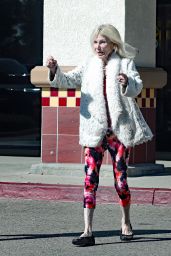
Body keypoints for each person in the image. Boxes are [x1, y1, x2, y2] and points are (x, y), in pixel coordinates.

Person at [46, 24, 153, 246]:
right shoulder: (89, 64)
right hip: (94, 131)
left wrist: (127, 83)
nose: (98, 46)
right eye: (95, 42)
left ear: (113, 43)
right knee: (89, 180)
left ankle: (126, 222)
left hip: (118, 133)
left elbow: (138, 86)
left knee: (121, 181)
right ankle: (87, 231)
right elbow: (68, 81)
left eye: (103, 42)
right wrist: (55, 71)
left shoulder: (125, 63)